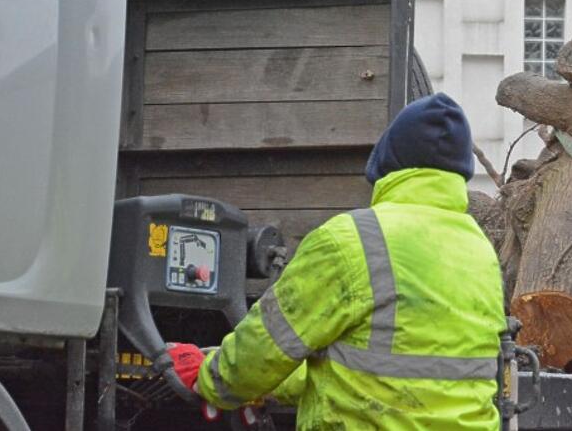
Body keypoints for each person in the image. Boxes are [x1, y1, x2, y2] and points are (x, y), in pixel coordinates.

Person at [168, 92, 507, 429]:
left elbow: (268, 344)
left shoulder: (352, 241)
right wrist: (267, 388)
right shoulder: (479, 250)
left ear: (388, 161)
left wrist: (210, 379)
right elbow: (369, 369)